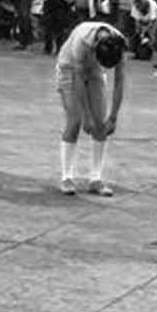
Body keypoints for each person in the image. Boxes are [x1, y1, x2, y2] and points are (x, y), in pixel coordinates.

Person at [55, 18, 127, 198]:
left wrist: (113, 117)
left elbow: (119, 81)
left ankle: (96, 178)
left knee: (100, 123)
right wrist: (86, 116)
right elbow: (79, 80)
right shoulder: (81, 42)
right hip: (69, 69)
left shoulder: (119, 43)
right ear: (95, 50)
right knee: (75, 121)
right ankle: (66, 177)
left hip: (95, 71)